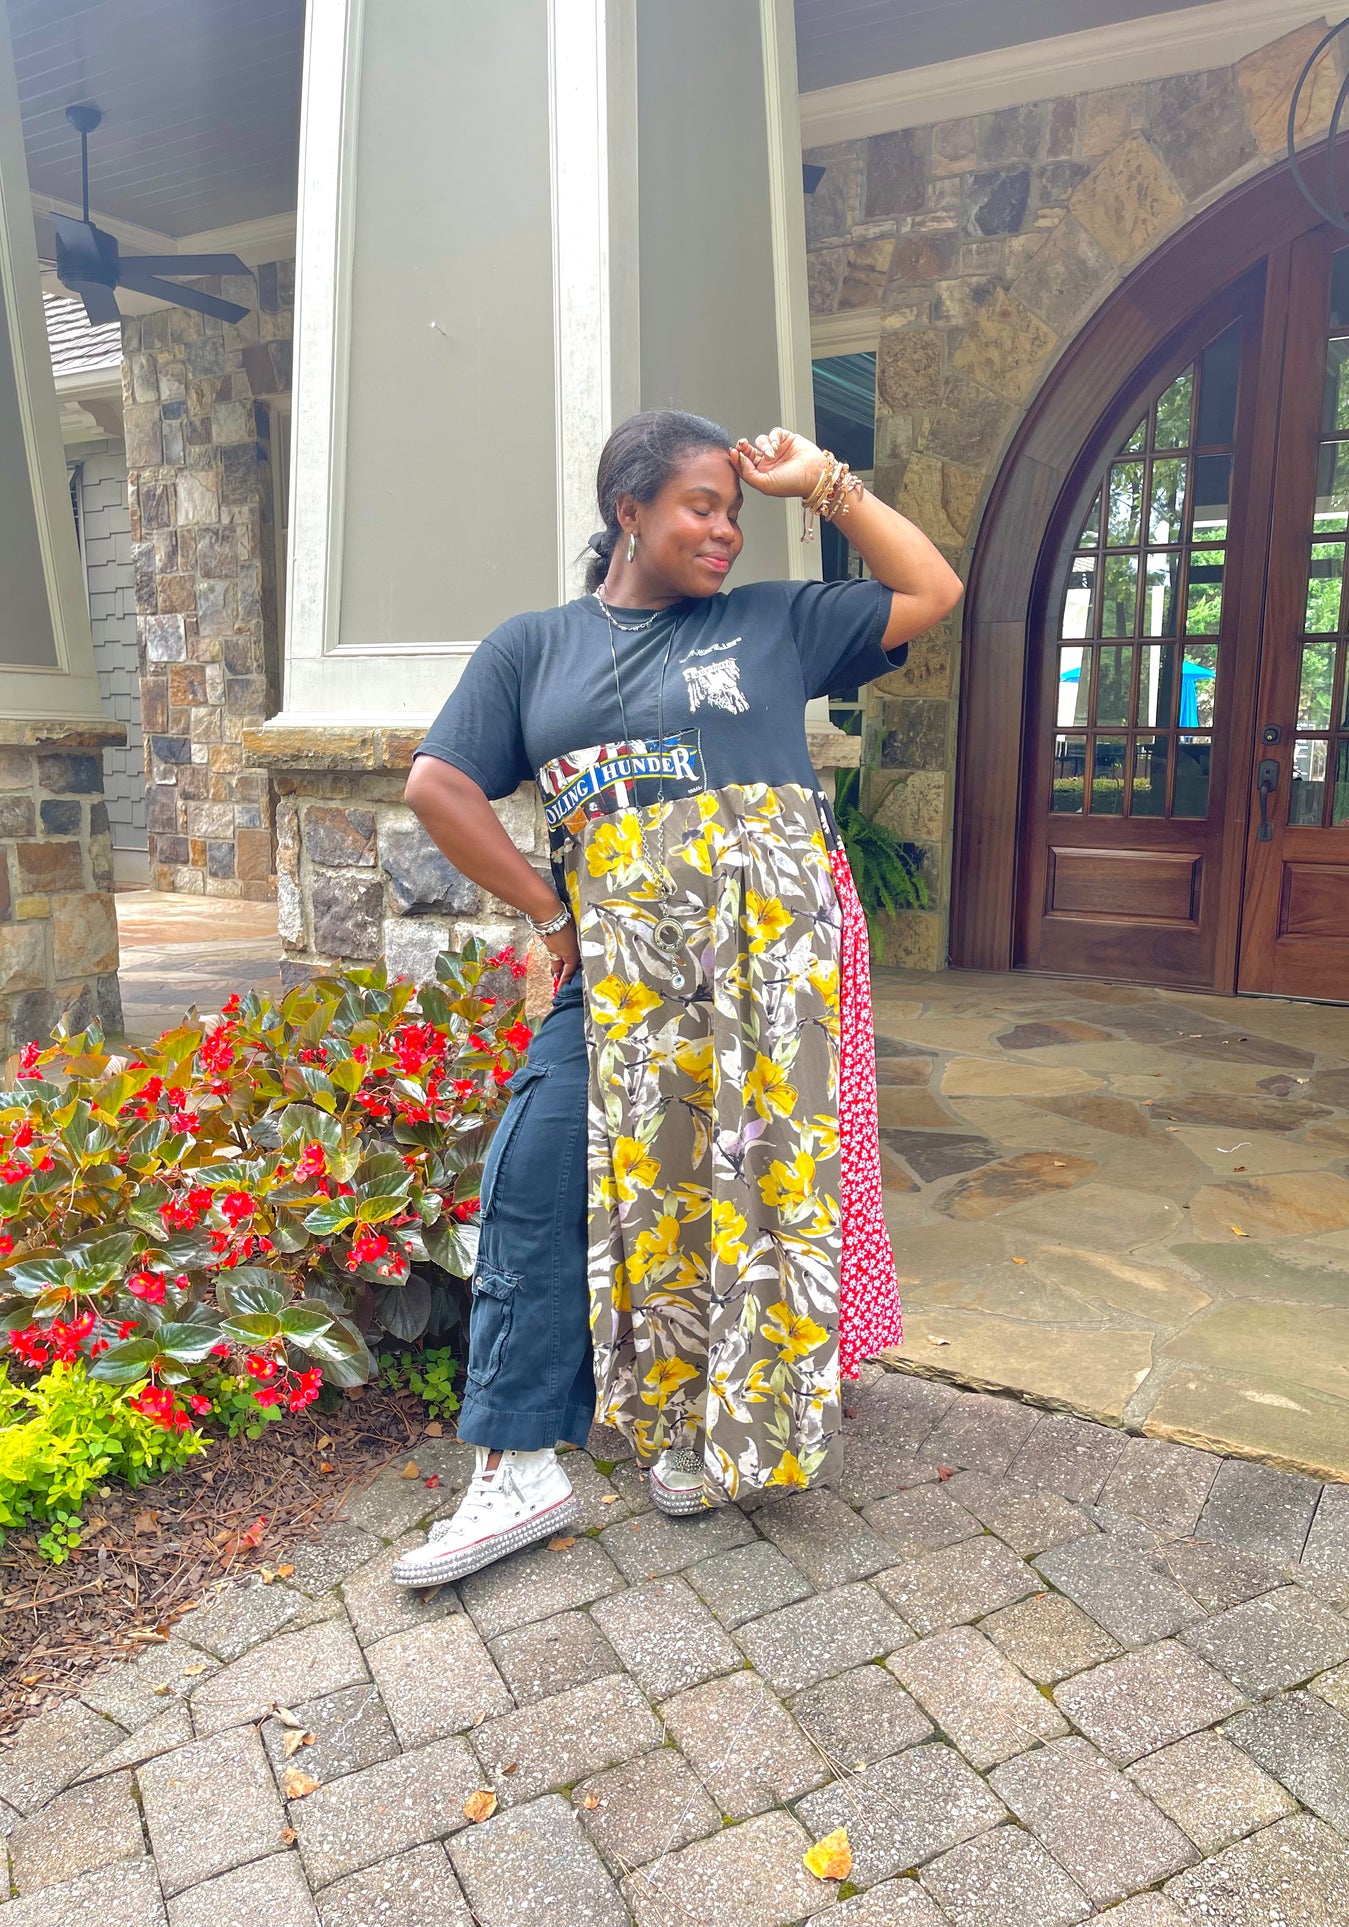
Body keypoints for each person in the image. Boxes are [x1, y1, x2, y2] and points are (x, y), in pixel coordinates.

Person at [392, 410, 961, 1587]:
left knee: (744, 1193)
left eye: (734, 513)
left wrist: (823, 484)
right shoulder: (532, 649)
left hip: (764, 978)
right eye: (701, 506)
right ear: (628, 511)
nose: (725, 531)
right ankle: (516, 1464)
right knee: (534, 1165)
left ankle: (708, 1428)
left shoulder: (772, 623)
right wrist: (550, 918)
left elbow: (930, 588)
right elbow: (437, 786)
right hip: (617, 975)